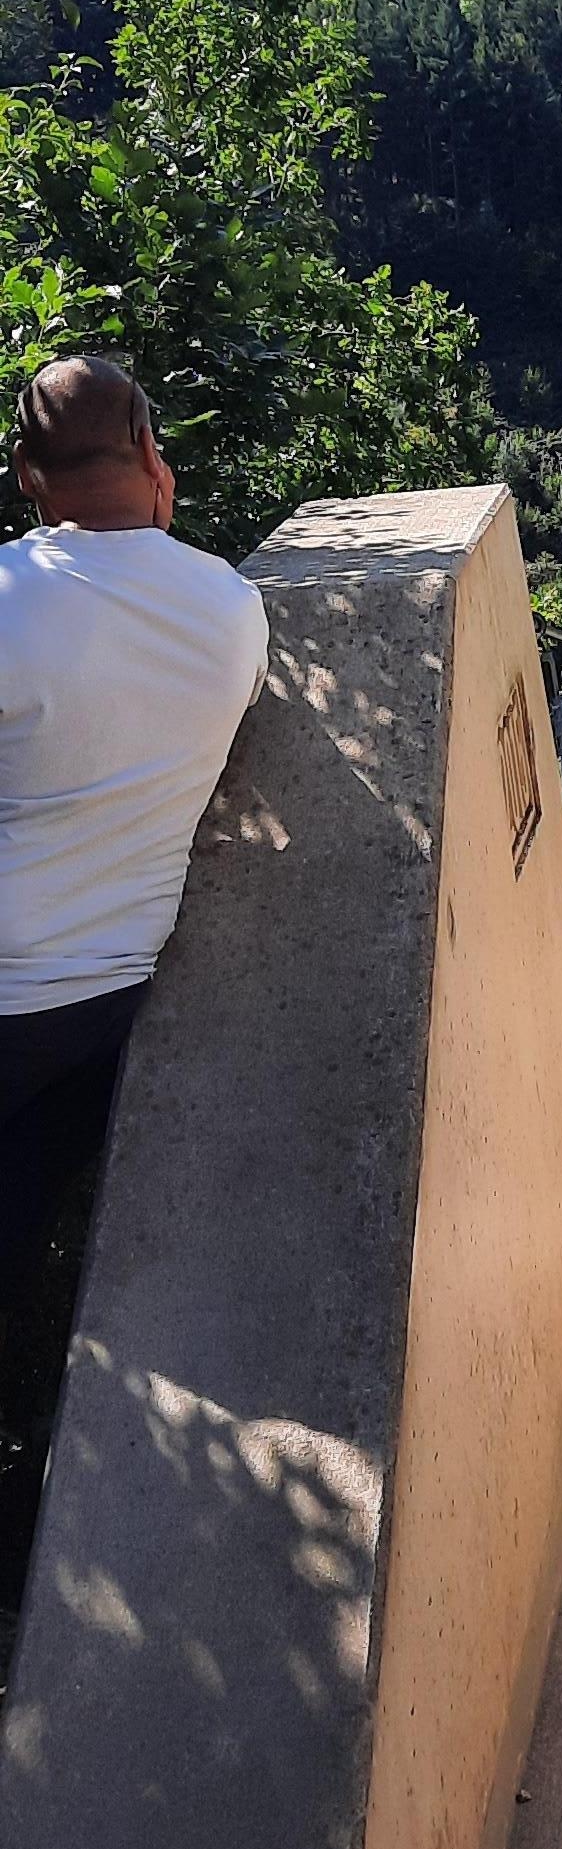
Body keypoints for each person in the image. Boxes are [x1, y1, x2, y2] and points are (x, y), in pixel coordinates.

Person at [1, 356, 270, 1289]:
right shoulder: (235, 609)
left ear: (27, 476)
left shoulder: (6, 597)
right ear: (152, 450)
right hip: (104, 1009)